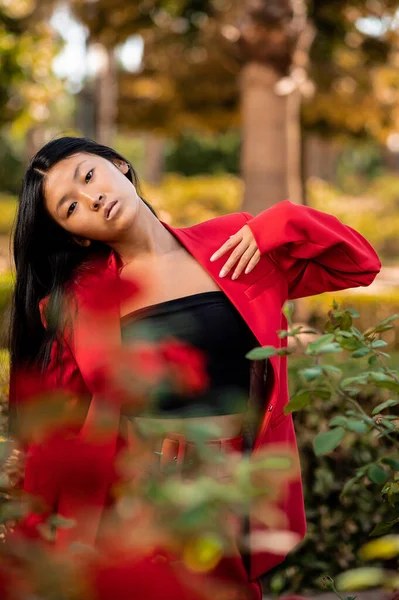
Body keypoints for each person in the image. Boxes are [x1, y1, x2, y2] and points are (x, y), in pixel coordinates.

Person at [8, 136, 381, 599]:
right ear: (77, 234)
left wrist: (282, 222)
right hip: (144, 497)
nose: (92, 197)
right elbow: (55, 434)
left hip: (236, 488)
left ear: (119, 165)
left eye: (88, 176)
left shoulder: (235, 246)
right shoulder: (78, 301)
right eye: (70, 207)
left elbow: (358, 265)